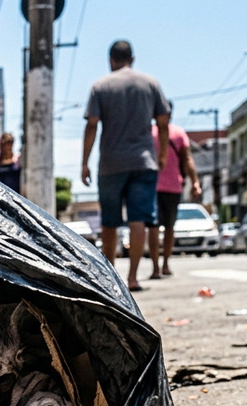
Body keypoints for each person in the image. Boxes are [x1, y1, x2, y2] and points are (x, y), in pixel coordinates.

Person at [81, 40, 170, 291]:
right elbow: (163, 122)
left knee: (110, 222)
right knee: (138, 219)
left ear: (110, 60)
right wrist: (162, 154)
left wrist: (85, 162)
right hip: (143, 161)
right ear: (133, 59)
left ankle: (111, 281)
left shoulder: (100, 86)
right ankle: (132, 277)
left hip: (111, 163)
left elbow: (92, 125)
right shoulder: (150, 84)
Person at [147, 105, 201, 278]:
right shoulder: (175, 132)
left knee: (160, 227)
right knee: (164, 228)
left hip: (159, 186)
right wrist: (195, 182)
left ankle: (159, 266)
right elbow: (187, 159)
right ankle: (162, 266)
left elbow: (187, 159)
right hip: (163, 187)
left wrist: (195, 181)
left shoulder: (151, 132)